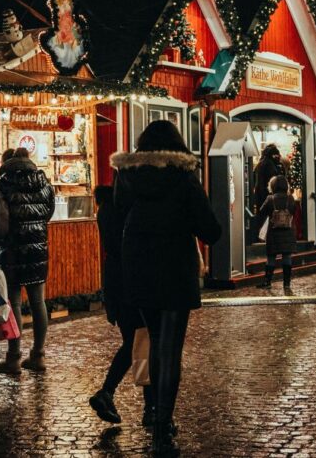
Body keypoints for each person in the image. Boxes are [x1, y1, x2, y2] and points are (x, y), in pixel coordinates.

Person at [113, 120, 221, 457]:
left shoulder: (127, 176)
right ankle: (162, 428)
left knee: (156, 341)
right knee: (169, 349)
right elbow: (210, 230)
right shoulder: (183, 176)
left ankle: (159, 419)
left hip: (139, 267)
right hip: (175, 269)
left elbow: (118, 216)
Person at [89, 183, 154, 427]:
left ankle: (109, 393)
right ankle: (148, 407)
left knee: (136, 342)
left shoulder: (106, 207)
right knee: (142, 343)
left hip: (115, 282)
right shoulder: (130, 208)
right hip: (134, 281)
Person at [0, 146, 55, 375]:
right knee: (38, 302)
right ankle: (38, 355)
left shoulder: (3, 184)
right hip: (38, 249)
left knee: (15, 304)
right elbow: (48, 214)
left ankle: (13, 357)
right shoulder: (44, 183)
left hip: (12, 250)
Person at [255, 174, 298, 294]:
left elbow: (261, 212)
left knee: (271, 257)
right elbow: (294, 211)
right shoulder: (290, 198)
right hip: (288, 232)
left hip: (273, 232)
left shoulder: (270, 199)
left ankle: (267, 282)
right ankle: (286, 283)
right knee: (287, 257)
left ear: (272, 186)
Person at [252, 144, 282, 241]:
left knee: (261, 216)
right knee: (269, 217)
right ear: (273, 155)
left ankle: (258, 236)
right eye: (277, 155)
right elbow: (273, 182)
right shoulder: (270, 165)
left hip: (259, 195)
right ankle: (264, 236)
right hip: (267, 195)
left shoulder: (260, 164)